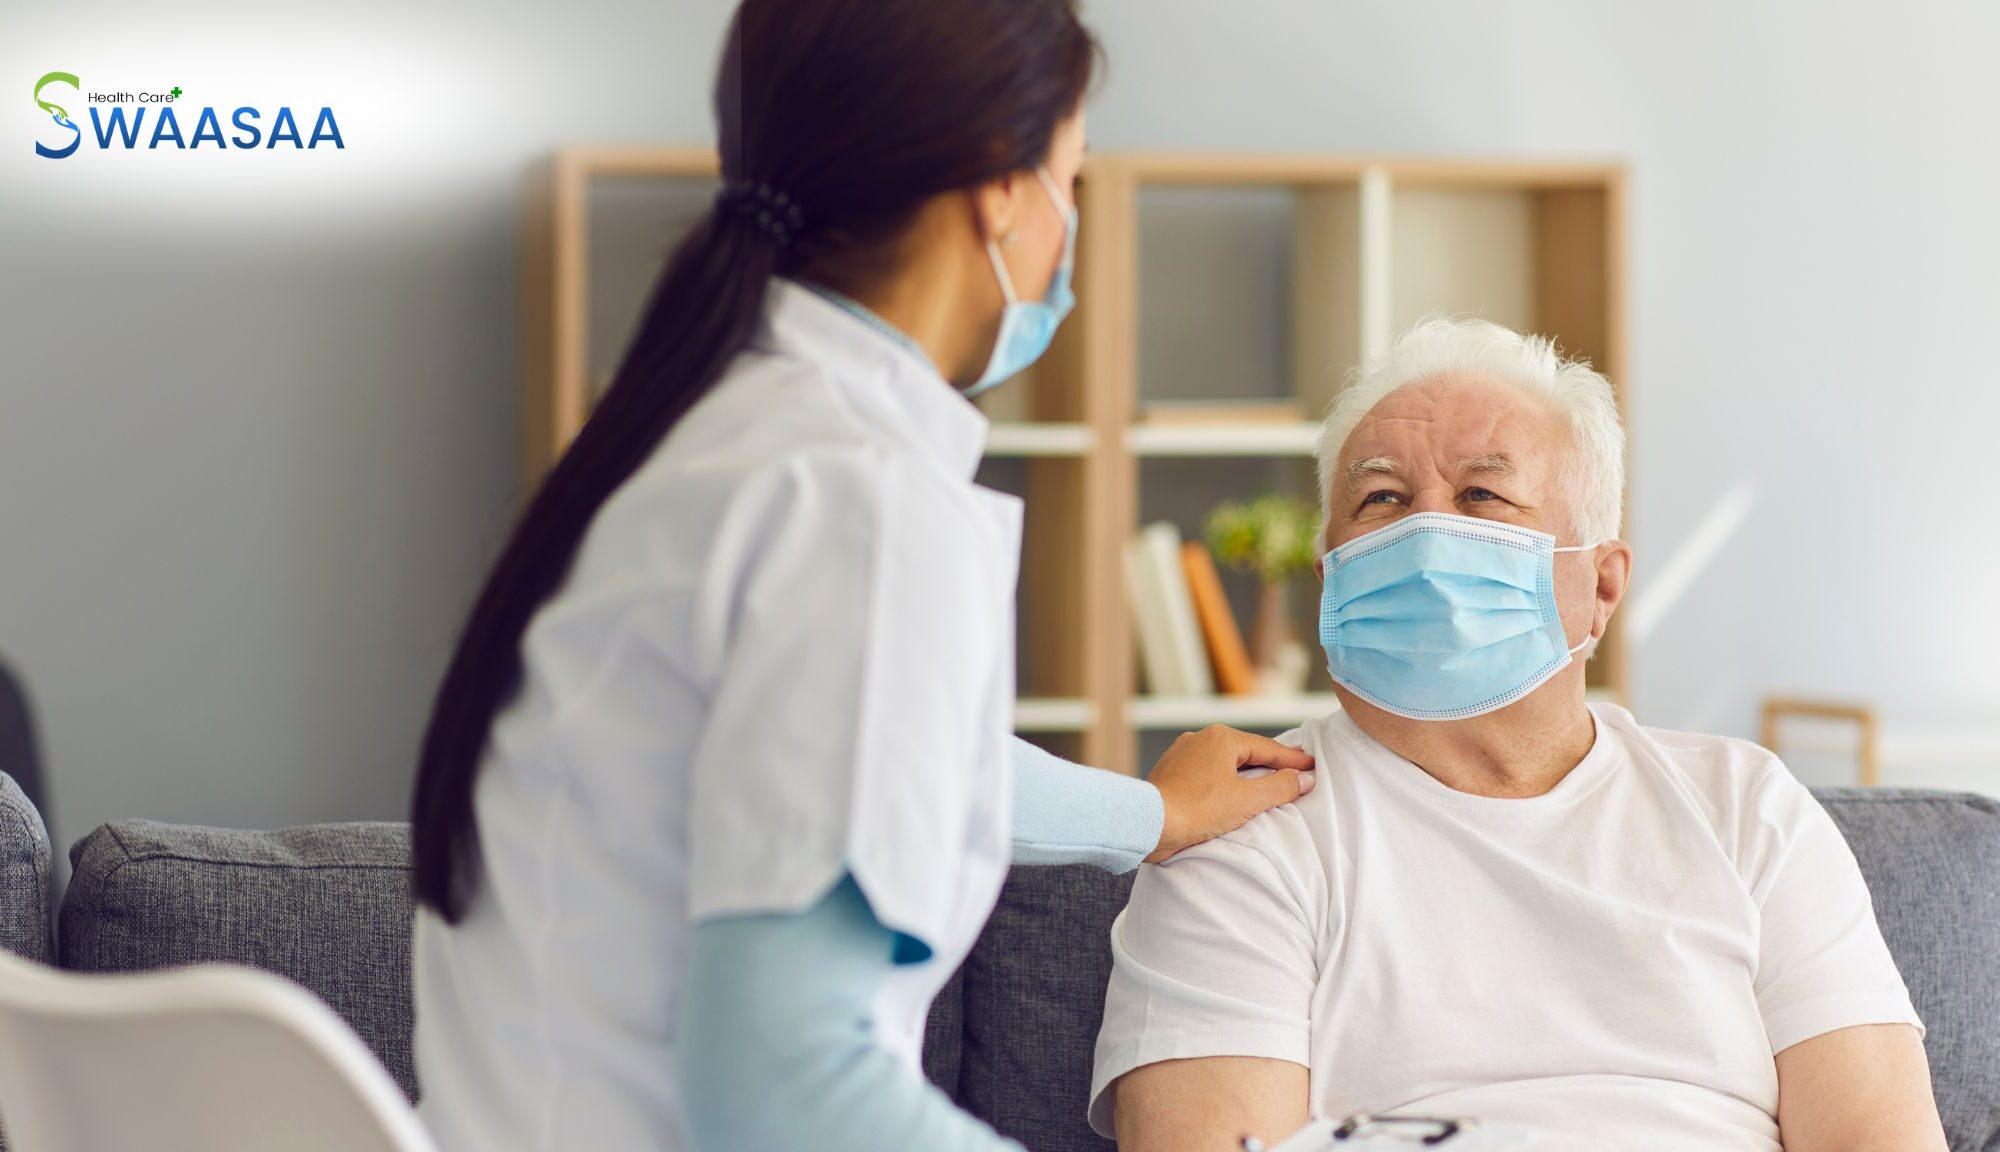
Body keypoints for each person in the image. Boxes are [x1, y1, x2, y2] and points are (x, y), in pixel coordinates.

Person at [405, 3, 1315, 1150]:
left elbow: (869, 758)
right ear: (1001, 190)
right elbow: (788, 1089)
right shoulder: (859, 503)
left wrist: (1152, 814)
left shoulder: (697, 443)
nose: (1068, 227)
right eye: (1072, 177)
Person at [1089, 318, 1947, 1152]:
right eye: (1380, 498)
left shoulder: (1747, 808)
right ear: (1329, 577)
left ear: (1601, 586)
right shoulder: (1241, 829)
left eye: (1482, 496)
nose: (1425, 534)